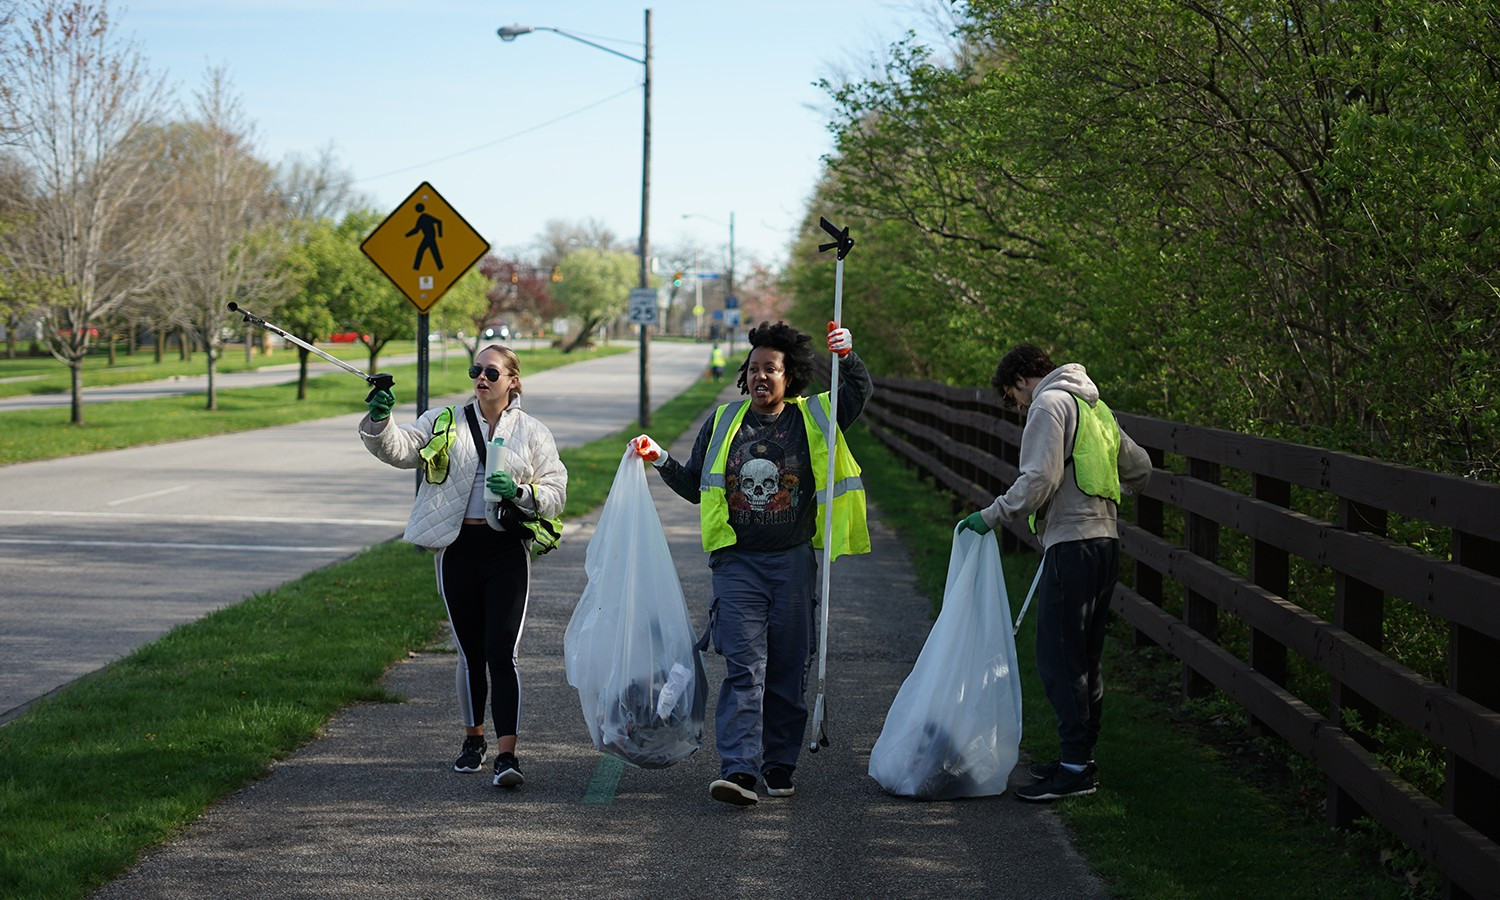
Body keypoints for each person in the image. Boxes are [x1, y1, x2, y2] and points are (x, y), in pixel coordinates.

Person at [630, 320, 872, 807]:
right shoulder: (723, 422)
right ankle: (739, 769)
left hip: (793, 563)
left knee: (787, 667)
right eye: (755, 369)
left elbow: (859, 392)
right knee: (745, 667)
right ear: (745, 375)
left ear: (790, 376)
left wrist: (848, 357)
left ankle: (779, 763)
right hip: (737, 565)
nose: (762, 377)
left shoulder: (816, 417)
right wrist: (660, 460)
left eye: (772, 369)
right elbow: (697, 485)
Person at [359, 344, 566, 789]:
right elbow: (399, 449)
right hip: (458, 548)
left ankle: (507, 755)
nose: (482, 378)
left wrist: (520, 492)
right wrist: (380, 419)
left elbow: (555, 490)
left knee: (502, 653)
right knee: (470, 651)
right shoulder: (444, 422)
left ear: (513, 380)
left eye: (492, 372)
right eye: (477, 370)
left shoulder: (532, 432)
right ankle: (473, 740)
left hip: (506, 550)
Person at [956, 343, 1152, 802]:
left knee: (1058, 657)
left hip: (1073, 544)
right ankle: (1078, 758)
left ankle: (1075, 768)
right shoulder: (1095, 406)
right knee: (1084, 656)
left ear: (1022, 379)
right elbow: (1140, 469)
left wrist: (992, 514)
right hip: (1106, 542)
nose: (1017, 407)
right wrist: (1101, 497)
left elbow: (1039, 479)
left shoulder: (1048, 403)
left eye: (1012, 397)